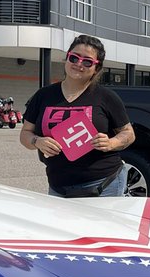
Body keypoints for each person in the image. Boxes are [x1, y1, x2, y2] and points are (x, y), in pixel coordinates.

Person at [20, 35, 135, 197]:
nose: (78, 64)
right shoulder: (43, 95)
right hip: (58, 186)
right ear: (67, 58)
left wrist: (111, 142)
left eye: (87, 61)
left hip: (103, 184)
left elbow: (128, 133)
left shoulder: (106, 97)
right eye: (74, 58)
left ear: (97, 68)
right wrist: (37, 141)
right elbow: (25, 133)